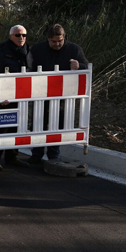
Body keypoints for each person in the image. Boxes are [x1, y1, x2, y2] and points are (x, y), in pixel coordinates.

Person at [28, 24, 89, 164]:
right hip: (40, 94)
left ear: (64, 37)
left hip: (62, 96)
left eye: (59, 41)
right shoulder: (37, 49)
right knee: (38, 124)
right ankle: (36, 154)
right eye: (53, 41)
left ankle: (53, 155)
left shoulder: (74, 49)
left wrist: (80, 66)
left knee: (57, 125)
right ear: (48, 39)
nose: (57, 44)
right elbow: (28, 66)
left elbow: (86, 66)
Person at [0, 25, 31, 171]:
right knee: (1, 128)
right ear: (10, 36)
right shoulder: (1, 54)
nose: (21, 38)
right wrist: (0, 96)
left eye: (24, 35)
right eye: (18, 35)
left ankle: (12, 157)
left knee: (16, 127)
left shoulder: (29, 52)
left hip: (22, 96)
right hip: (5, 99)